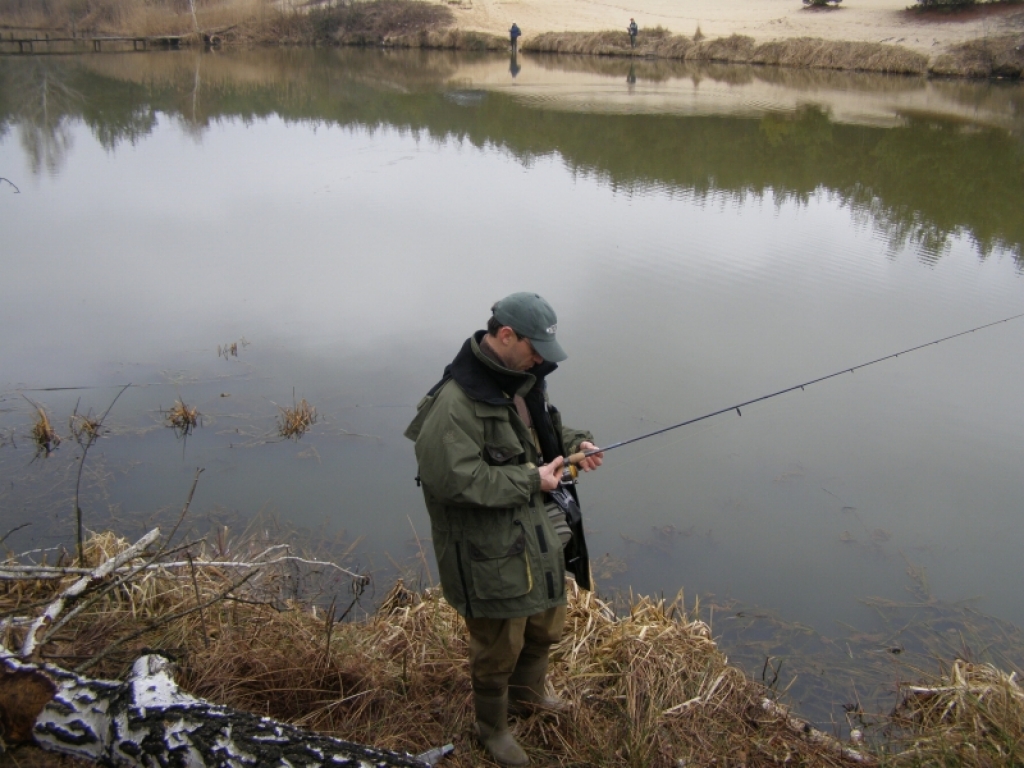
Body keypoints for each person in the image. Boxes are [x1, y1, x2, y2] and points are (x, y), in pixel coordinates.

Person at [405, 292, 603, 767]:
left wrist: (577, 444)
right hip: (487, 550)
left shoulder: (524, 381)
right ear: (506, 336)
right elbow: (451, 480)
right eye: (535, 349)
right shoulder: (454, 403)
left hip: (537, 531)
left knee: (545, 624)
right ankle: (491, 729)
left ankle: (528, 698)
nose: (540, 360)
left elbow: (541, 435)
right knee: (498, 646)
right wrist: (530, 480)